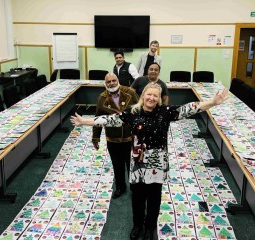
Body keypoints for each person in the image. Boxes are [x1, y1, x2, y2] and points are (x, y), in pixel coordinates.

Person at [71, 83, 229, 240]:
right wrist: (85, 122)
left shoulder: (165, 111)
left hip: (158, 163)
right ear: (143, 95)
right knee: (137, 197)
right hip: (138, 162)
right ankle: (137, 225)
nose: (151, 98)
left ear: (159, 99)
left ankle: (150, 227)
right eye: (149, 94)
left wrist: (213, 102)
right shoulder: (133, 112)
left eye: (155, 96)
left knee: (154, 198)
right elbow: (110, 120)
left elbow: (189, 108)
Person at [92, 73, 139, 199]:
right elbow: (98, 119)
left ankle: (135, 188)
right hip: (112, 138)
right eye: (109, 82)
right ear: (105, 83)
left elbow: (141, 110)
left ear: (118, 81)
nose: (111, 83)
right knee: (117, 165)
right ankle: (120, 187)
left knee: (132, 164)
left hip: (130, 137)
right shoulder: (102, 98)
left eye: (114, 80)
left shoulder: (130, 92)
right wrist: (95, 138)